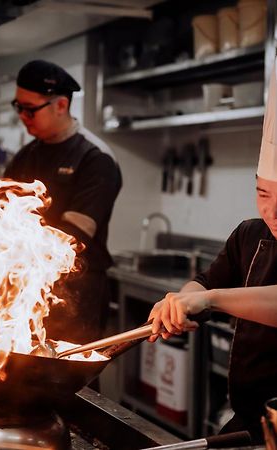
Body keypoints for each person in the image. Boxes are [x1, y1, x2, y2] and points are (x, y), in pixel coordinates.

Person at [147, 61, 277, 444]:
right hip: (253, 419)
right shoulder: (250, 235)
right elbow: (203, 283)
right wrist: (183, 302)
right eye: (263, 193)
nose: (270, 211)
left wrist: (210, 300)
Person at [4, 60, 122, 344]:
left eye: (30, 109)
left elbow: (73, 238)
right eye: (18, 107)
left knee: (68, 380)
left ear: (61, 105)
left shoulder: (95, 159)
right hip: (27, 288)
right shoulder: (25, 156)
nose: (23, 116)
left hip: (75, 295)